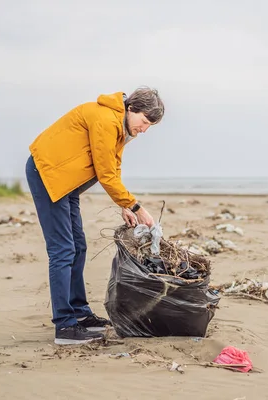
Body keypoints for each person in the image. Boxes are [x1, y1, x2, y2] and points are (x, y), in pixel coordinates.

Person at [25, 87, 164, 345]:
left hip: (68, 182)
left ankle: (79, 313)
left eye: (149, 126)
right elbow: (104, 172)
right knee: (62, 250)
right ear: (131, 109)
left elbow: (114, 166)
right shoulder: (105, 119)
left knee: (78, 246)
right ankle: (65, 328)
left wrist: (123, 203)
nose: (144, 130)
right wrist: (135, 206)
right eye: (144, 122)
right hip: (48, 174)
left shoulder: (120, 127)